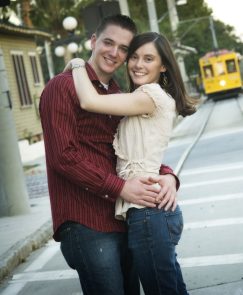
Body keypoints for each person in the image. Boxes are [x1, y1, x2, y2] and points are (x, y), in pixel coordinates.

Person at [39, 14, 180, 295]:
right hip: (86, 222)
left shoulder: (118, 94)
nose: (114, 53)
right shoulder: (61, 87)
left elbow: (131, 151)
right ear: (93, 41)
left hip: (124, 218)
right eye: (108, 42)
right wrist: (121, 187)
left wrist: (168, 176)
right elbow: (62, 156)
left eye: (124, 48)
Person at [64, 31, 199, 294]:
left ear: (163, 66)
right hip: (146, 212)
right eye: (134, 57)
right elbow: (143, 152)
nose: (138, 64)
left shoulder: (151, 95)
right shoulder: (143, 98)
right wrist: (169, 175)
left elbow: (89, 101)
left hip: (148, 213)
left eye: (149, 59)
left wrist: (78, 63)